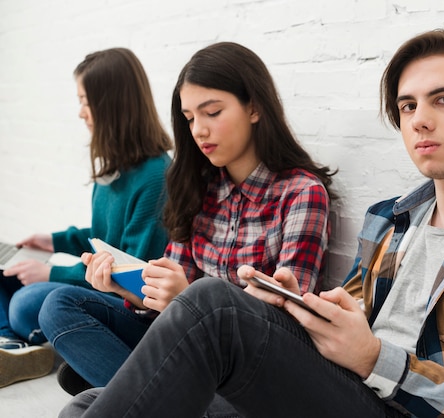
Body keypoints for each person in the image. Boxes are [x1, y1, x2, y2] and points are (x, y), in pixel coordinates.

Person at [58, 27, 444, 418]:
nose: (420, 119)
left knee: (209, 306)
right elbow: (340, 335)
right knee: (84, 403)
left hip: (399, 405)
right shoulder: (392, 219)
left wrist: (375, 357)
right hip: (349, 392)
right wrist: (295, 311)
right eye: (407, 106)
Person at [40, 41, 335, 405]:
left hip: (248, 369)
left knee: (83, 401)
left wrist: (187, 299)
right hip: (182, 343)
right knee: (60, 305)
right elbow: (167, 293)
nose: (199, 130)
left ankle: (131, 393)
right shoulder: (196, 188)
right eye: (190, 118)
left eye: (212, 112)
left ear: (255, 107)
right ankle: (156, 398)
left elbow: (285, 327)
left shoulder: (301, 193)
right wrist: (128, 288)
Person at [0, 48, 172, 388]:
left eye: (85, 102)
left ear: (111, 106)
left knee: (24, 303)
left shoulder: (155, 177)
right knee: (5, 270)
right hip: (100, 282)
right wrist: (52, 241)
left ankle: (13, 336)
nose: (80, 113)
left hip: (125, 299)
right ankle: (12, 346)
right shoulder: (113, 170)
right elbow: (100, 238)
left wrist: (52, 271)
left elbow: (130, 271)